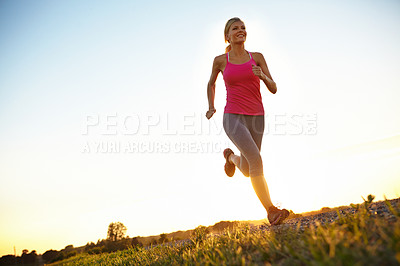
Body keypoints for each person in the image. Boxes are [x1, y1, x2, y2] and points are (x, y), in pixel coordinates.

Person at [205, 17, 289, 225]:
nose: (240, 30)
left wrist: (263, 76)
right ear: (228, 36)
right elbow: (211, 84)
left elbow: (274, 87)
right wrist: (211, 106)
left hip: (257, 117)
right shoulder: (220, 61)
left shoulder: (257, 57)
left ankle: (230, 158)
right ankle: (271, 210)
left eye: (243, 28)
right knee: (256, 160)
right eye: (235, 28)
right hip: (232, 116)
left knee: (247, 168)